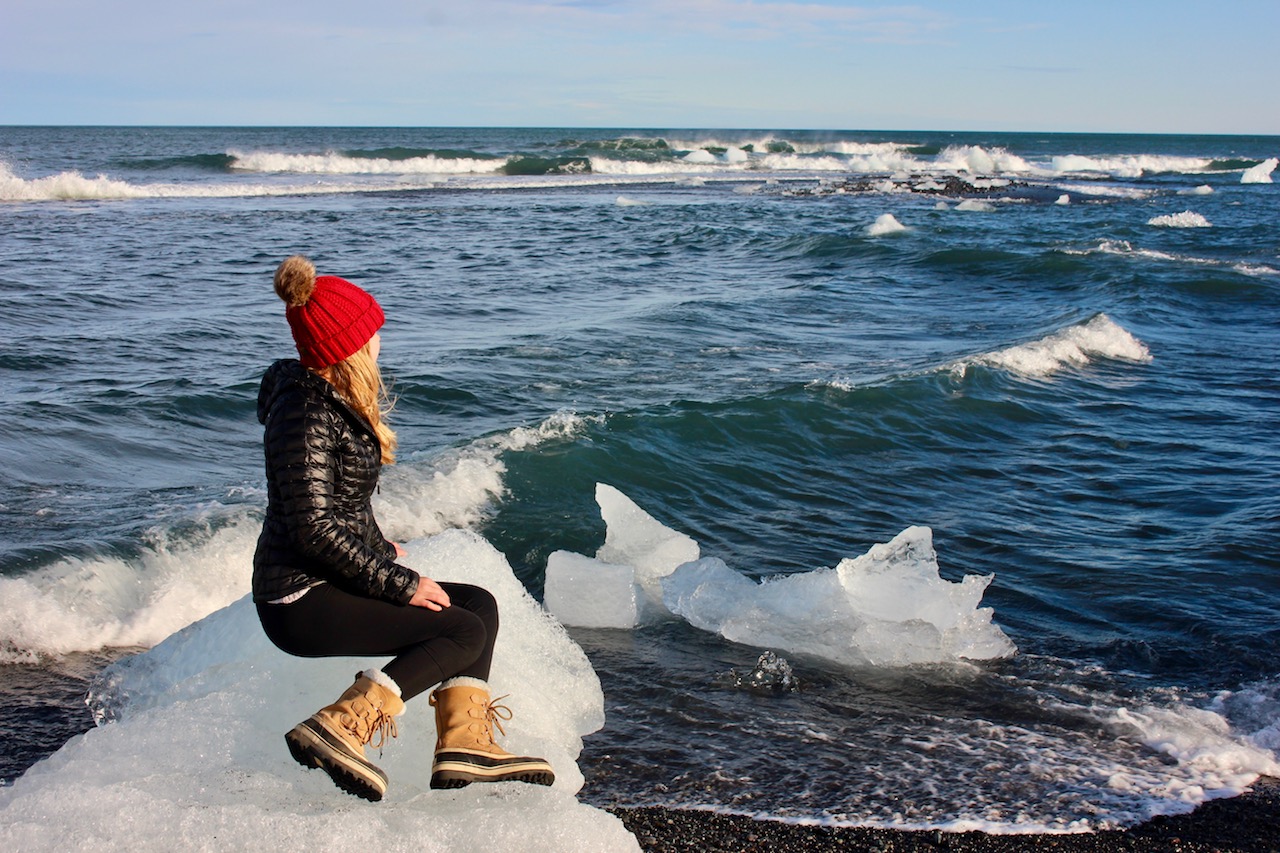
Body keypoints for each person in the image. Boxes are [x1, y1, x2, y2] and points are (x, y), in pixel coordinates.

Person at [252, 255, 554, 802]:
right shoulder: (305, 412)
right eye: (372, 331)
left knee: (478, 605)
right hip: (297, 598)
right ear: (349, 344)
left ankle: (466, 743)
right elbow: (311, 529)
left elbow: (336, 507)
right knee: (461, 632)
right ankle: (342, 724)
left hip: (323, 576)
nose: (380, 342)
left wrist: (375, 545)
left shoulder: (326, 399)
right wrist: (401, 584)